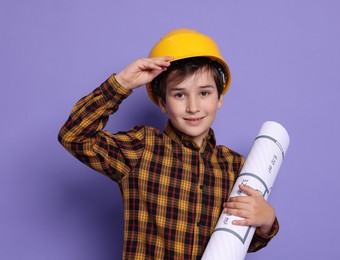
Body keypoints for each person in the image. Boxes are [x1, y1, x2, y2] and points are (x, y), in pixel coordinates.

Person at [58, 28, 279, 259]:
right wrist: (122, 83)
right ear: (163, 102)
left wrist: (266, 221)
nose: (193, 107)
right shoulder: (142, 148)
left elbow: (239, 240)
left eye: (204, 93)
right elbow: (74, 136)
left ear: (220, 98)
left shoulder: (235, 166)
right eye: (179, 95)